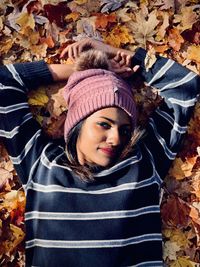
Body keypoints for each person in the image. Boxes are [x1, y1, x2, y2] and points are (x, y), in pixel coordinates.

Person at [0, 37, 199, 267]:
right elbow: (4, 82)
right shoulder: (41, 164)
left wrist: (116, 52)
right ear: (78, 123)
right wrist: (76, 71)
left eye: (125, 130)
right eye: (104, 124)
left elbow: (184, 85)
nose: (116, 139)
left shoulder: (143, 163)